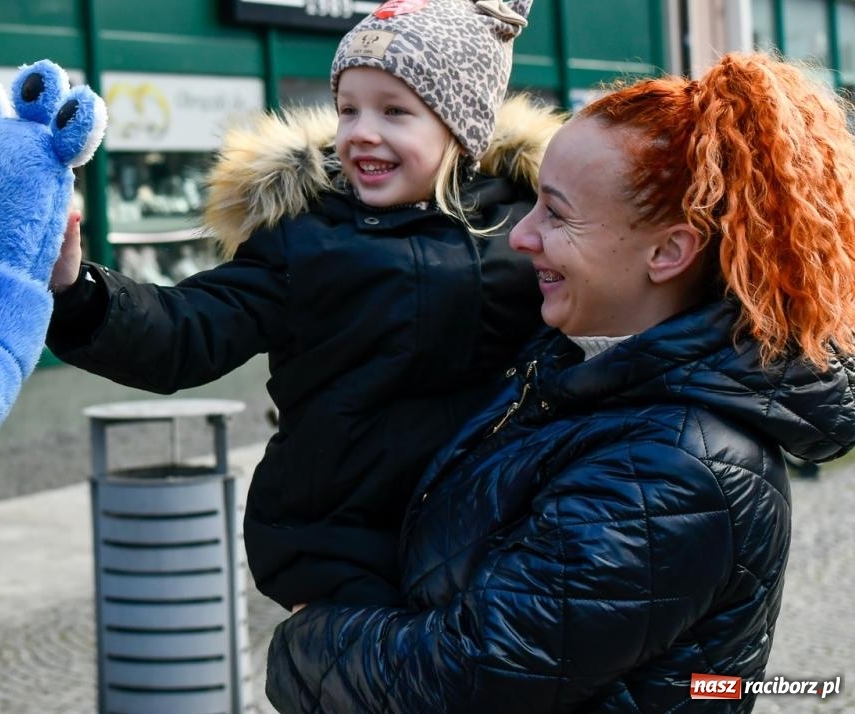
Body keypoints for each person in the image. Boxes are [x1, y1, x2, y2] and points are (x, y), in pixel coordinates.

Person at [266, 53, 855, 712]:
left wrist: (303, 635)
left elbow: (458, 681)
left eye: (556, 213)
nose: (520, 235)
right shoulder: (575, 365)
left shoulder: (674, 472)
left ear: (667, 252)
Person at [48, 0, 562, 609]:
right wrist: (75, 292)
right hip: (337, 551)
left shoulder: (525, 224)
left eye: (395, 110)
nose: (361, 132)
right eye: (349, 108)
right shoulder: (305, 234)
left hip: (491, 538)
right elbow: (186, 332)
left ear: (463, 126)